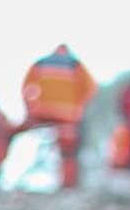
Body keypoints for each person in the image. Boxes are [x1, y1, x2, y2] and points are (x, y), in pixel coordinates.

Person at [17, 43, 94, 187]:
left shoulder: (41, 63)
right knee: (68, 152)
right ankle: (68, 184)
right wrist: (78, 107)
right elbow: (90, 88)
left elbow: (25, 87)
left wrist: (31, 108)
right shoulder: (75, 64)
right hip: (67, 115)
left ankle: (8, 175)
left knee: (17, 134)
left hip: (42, 113)